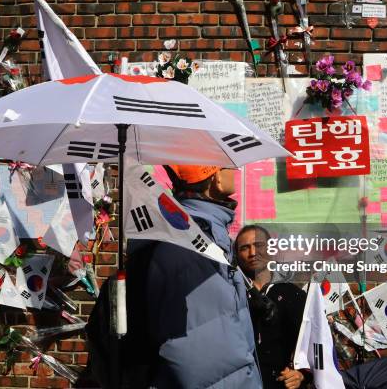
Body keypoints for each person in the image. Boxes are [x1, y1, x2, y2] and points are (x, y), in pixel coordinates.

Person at [123, 165, 262, 388]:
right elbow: (210, 358)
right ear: (214, 178)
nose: (234, 170)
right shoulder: (193, 245)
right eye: (226, 165)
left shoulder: (189, 232)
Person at [235, 225, 307, 389]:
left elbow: (311, 345)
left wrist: (302, 374)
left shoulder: (292, 294)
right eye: (245, 248)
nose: (253, 253)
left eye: (259, 245)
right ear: (237, 255)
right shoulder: (230, 294)